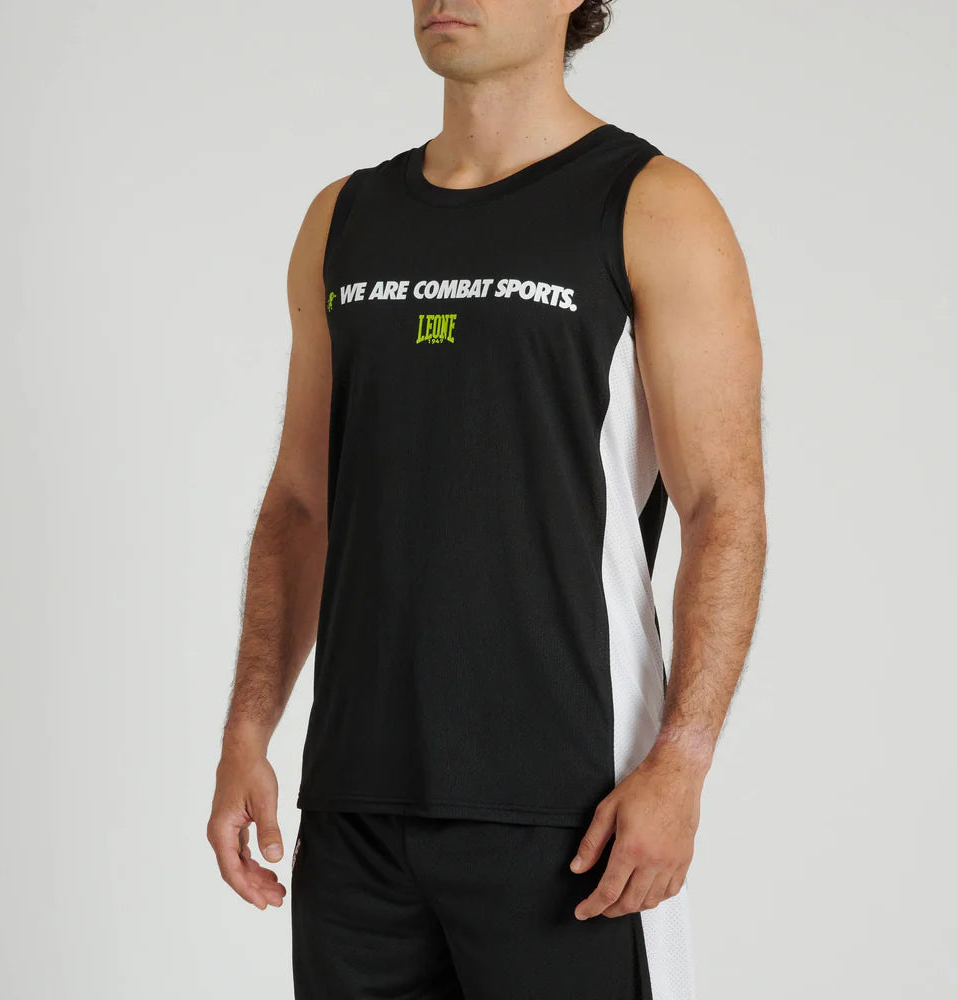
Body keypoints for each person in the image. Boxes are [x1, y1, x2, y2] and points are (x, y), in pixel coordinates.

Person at [207, 2, 766, 997]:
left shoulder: (652, 206)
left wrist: (681, 761)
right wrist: (248, 729)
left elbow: (724, 507)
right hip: (356, 810)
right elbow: (299, 505)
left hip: (575, 814)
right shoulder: (343, 219)